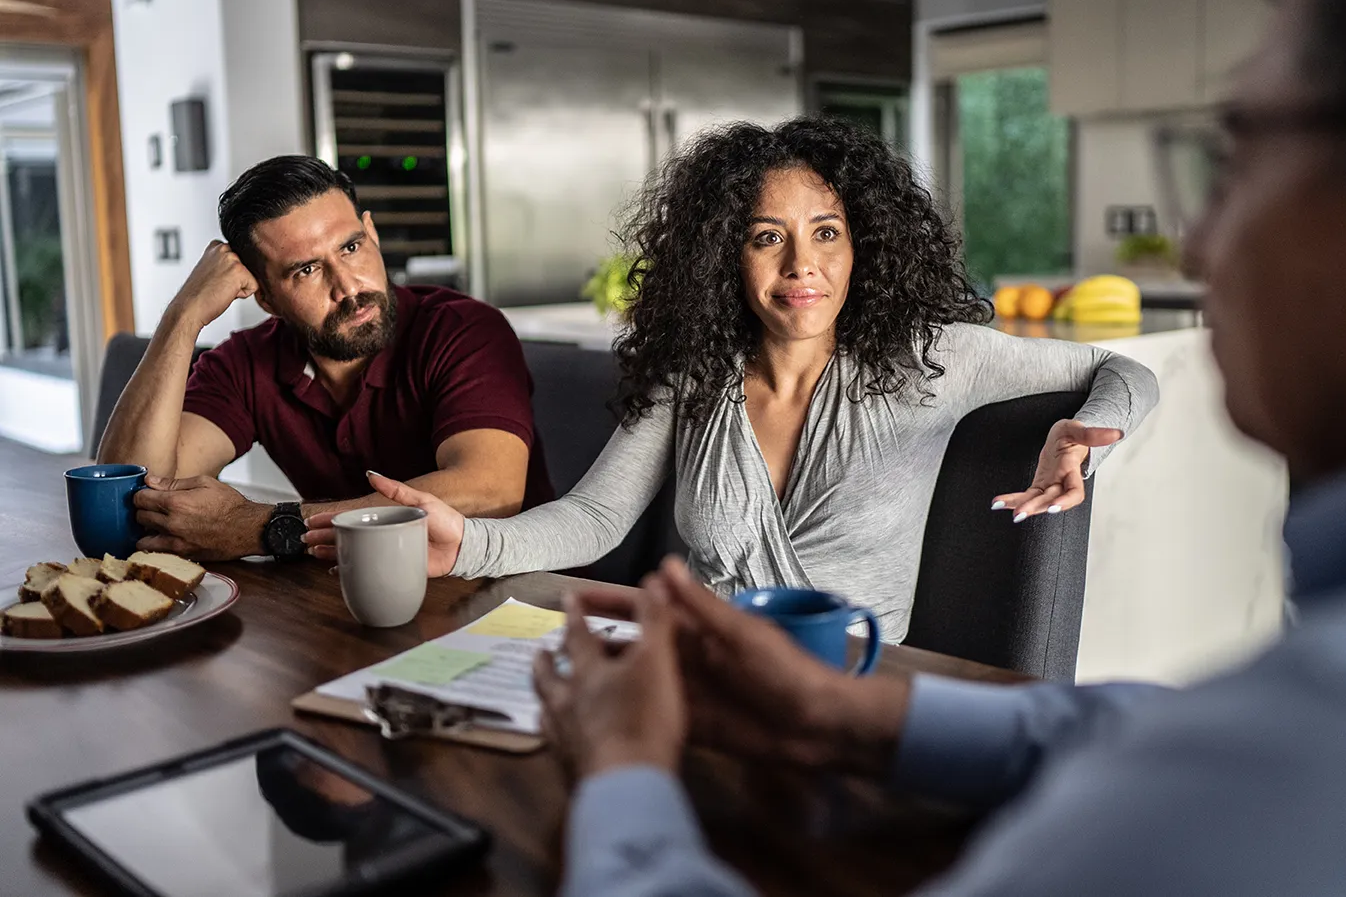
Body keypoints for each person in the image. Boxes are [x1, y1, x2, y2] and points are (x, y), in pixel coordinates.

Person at [525, 0, 1346, 894]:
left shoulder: (1334, 739)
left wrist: (622, 770)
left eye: (1234, 159)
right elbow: (1136, 725)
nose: (1200, 244)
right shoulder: (1328, 689)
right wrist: (848, 717)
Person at [307, 119, 1158, 642]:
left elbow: (1124, 368)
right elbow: (597, 516)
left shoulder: (934, 358)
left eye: (826, 232)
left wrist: (1077, 434)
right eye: (766, 237)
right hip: (698, 671)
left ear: (863, 244)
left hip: (853, 695)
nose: (803, 266)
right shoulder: (699, 375)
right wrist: (470, 545)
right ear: (727, 253)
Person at [97, 156, 552, 562]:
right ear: (267, 298)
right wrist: (183, 316)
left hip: (516, 600)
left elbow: (490, 489)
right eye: (307, 270)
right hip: (353, 603)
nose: (349, 287)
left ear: (371, 233)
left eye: (351, 247)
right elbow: (131, 498)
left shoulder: (463, 330)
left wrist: (264, 527)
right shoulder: (246, 362)